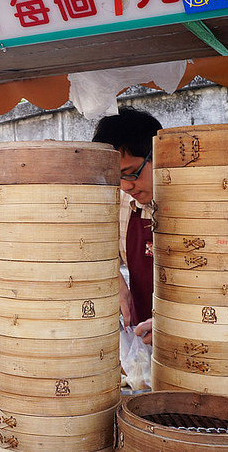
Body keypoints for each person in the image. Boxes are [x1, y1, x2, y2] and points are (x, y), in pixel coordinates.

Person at [92, 106, 162, 345]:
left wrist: (176, 323)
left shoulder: (194, 206)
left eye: (131, 174)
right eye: (117, 178)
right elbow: (91, 249)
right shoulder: (122, 204)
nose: (126, 186)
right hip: (143, 343)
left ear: (159, 157)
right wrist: (116, 280)